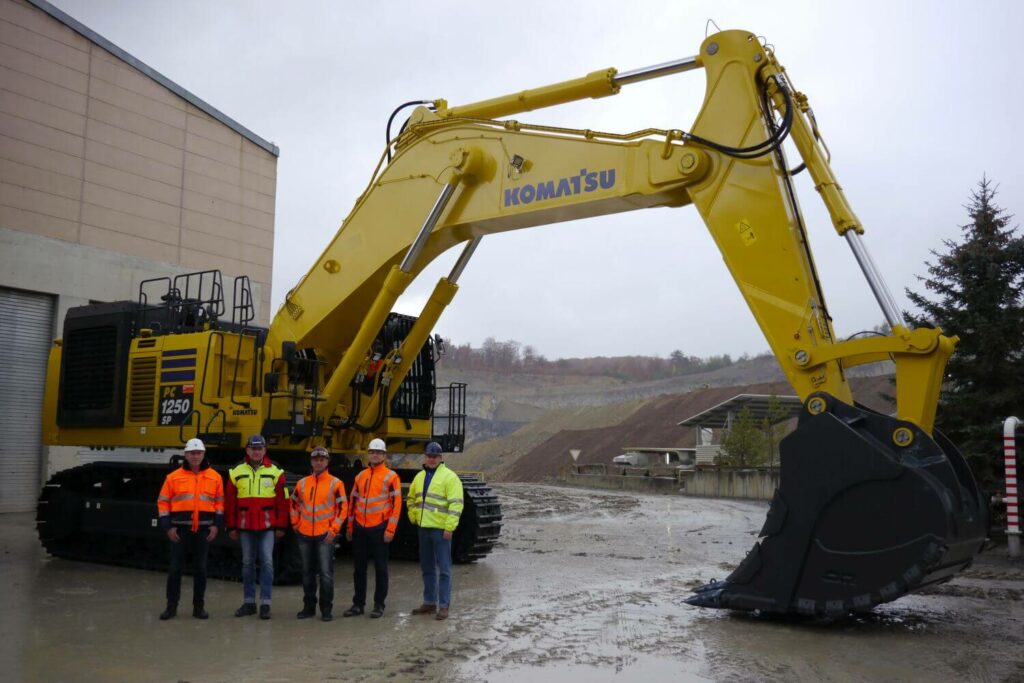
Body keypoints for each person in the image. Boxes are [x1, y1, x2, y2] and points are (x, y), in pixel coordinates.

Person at [156, 437, 223, 620]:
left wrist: (216, 525)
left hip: (203, 531)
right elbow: (163, 502)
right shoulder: (173, 477)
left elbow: (219, 503)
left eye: (198, 453)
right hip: (179, 531)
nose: (195, 456)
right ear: (186, 454)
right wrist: (167, 527)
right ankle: (171, 606)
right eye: (192, 453)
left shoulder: (214, 477)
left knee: (201, 570)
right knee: (175, 569)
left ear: (203, 454)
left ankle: (198, 607)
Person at [226, 434, 288, 619]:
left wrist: (281, 526)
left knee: (267, 563)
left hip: (267, 527)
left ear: (264, 450)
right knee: (247, 564)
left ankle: (266, 604)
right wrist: (231, 526)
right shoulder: (236, 471)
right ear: (247, 450)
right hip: (245, 527)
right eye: (253, 448)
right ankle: (249, 602)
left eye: (259, 448)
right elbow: (230, 502)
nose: (256, 451)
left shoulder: (276, 472)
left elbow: (283, 502)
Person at [343, 438, 401, 618]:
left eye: (378, 452)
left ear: (384, 455)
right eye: (372, 452)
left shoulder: (391, 477)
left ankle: (379, 604)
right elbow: (353, 502)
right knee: (359, 569)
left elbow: (396, 505)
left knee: (381, 568)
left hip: (379, 529)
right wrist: (350, 527)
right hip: (360, 528)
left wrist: (390, 530)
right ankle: (358, 604)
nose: (375, 455)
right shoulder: (360, 476)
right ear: (368, 454)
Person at [290, 446, 348, 621]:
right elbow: (293, 505)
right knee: (307, 573)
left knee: (326, 574)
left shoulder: (335, 483)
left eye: (322, 459)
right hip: (305, 534)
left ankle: (326, 609)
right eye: (316, 459)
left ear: (327, 462)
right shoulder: (302, 483)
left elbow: (343, 508)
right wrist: (296, 524)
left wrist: (334, 530)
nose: (319, 462)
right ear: (311, 462)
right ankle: (308, 608)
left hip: (325, 535)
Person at [407, 441, 464, 620]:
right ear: (425, 457)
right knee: (427, 567)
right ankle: (430, 603)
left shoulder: (450, 477)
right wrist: (413, 515)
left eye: (435, 456)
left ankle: (444, 606)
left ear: (441, 458)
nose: (431, 459)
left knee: (444, 569)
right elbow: (410, 499)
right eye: (429, 456)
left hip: (440, 530)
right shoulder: (419, 477)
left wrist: (449, 527)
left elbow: (456, 504)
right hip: (423, 528)